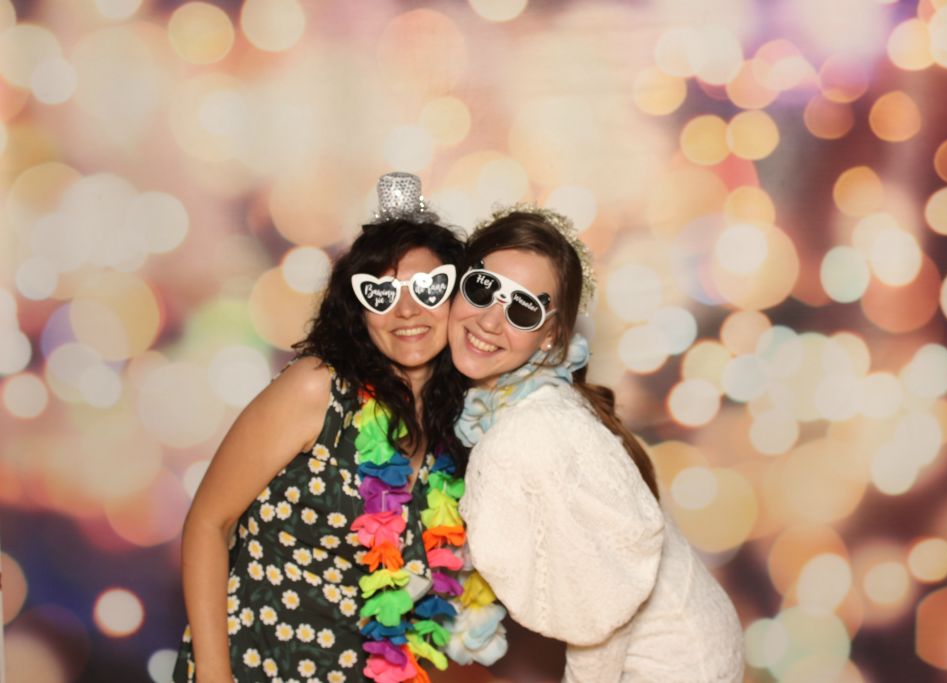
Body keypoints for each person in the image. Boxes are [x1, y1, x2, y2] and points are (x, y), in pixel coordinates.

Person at [172, 173, 493, 683]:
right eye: (381, 294)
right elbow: (208, 523)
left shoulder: (459, 430)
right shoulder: (317, 389)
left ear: (458, 301)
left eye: (428, 290)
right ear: (358, 310)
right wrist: (214, 673)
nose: (406, 310)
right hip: (255, 666)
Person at [449, 206, 746, 682]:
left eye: (523, 309)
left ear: (550, 337)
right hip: (696, 639)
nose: (489, 320)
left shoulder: (530, 431)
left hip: (675, 665)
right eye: (482, 288)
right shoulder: (515, 405)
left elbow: (605, 608)